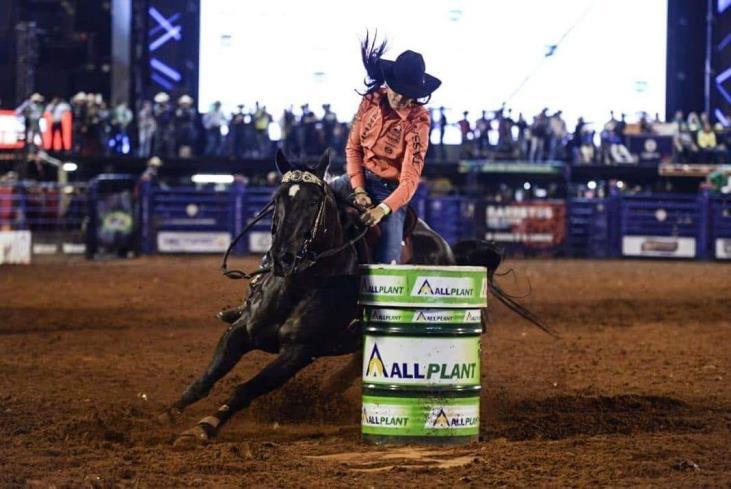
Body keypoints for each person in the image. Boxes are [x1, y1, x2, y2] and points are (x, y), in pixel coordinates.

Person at [330, 36, 441, 264]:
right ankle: (269, 269)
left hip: (390, 193)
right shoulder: (370, 99)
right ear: (388, 83)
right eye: (397, 89)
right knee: (308, 201)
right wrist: (359, 189)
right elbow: (353, 149)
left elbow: (410, 180)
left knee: (386, 269)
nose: (400, 98)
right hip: (355, 181)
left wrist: (382, 209)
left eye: (408, 94)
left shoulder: (419, 121)